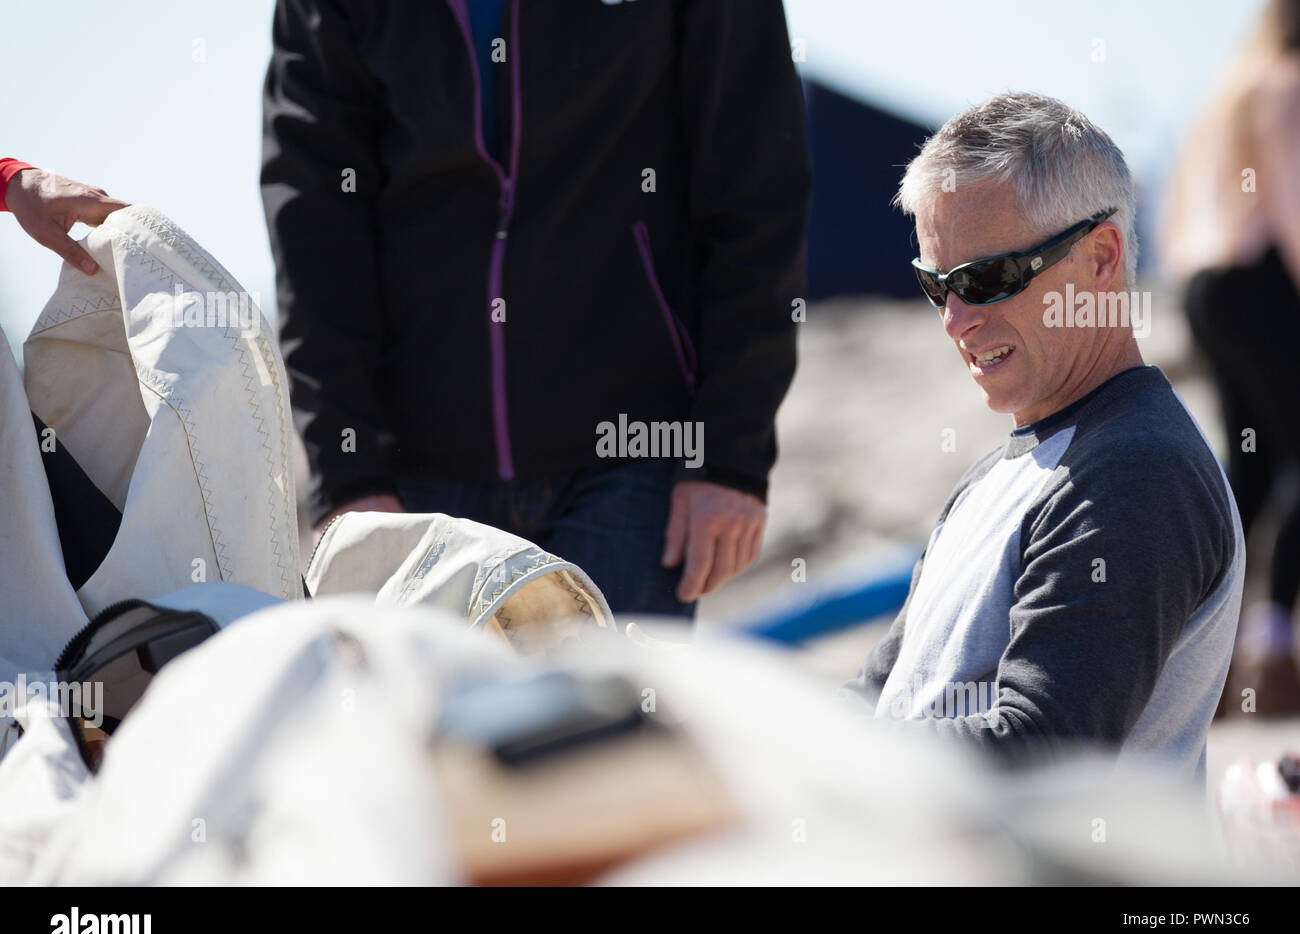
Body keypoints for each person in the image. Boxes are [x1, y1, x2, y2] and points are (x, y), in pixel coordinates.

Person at [260, 0, 811, 620]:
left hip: (635, 461)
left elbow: (759, 191)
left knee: (615, 718)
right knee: (441, 721)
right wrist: (347, 475)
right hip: (416, 480)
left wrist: (728, 458)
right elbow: (314, 233)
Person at [842, 94, 1244, 782]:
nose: (955, 320)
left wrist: (808, 754)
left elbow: (1047, 751)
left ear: (1101, 258)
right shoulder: (999, 474)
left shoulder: (1136, 471)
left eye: (986, 278)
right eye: (936, 285)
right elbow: (878, 697)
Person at [1161, 0, 1300, 714]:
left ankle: (1197, 656)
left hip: (1203, 283)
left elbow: (1177, 204)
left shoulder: (1226, 87)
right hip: (1260, 281)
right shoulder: (1284, 82)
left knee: (1248, 466)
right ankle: (1276, 652)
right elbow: (1293, 203)